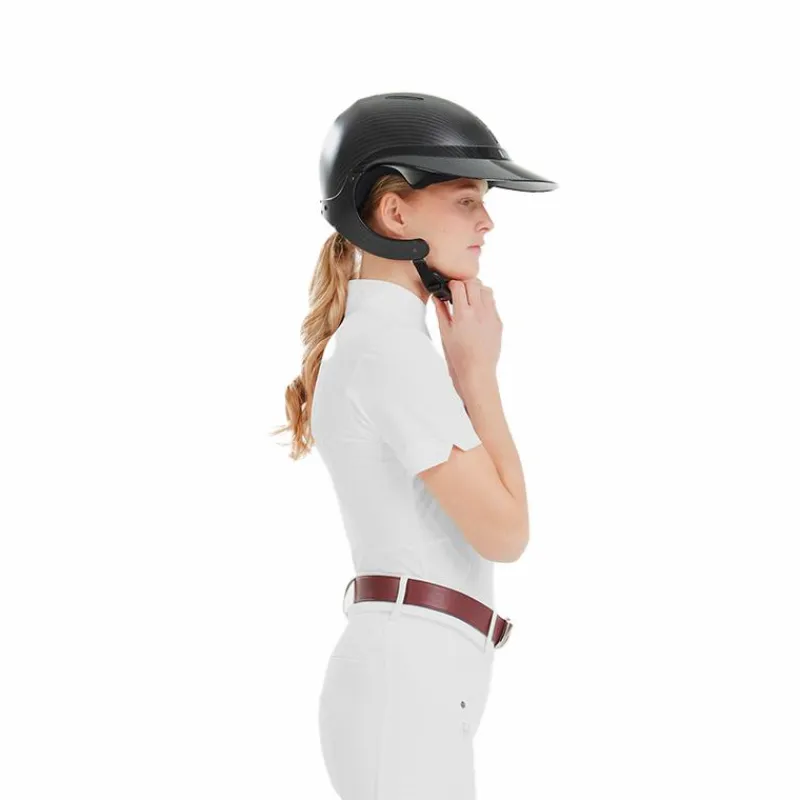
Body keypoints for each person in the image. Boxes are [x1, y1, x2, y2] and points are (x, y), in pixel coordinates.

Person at [273, 93, 557, 799]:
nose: (487, 222)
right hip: (408, 683)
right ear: (395, 214)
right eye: (466, 201)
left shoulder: (387, 344)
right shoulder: (388, 351)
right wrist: (478, 377)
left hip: (419, 679)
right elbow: (505, 531)